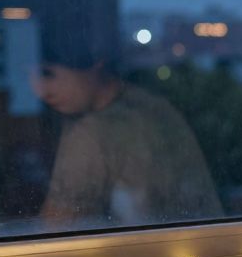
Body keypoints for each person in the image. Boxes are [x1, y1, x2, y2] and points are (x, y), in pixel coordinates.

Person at [34, 44, 222, 230]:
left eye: (48, 74)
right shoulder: (156, 109)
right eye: (29, 77)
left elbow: (55, 225)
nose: (41, 90)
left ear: (94, 66)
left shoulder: (96, 131)